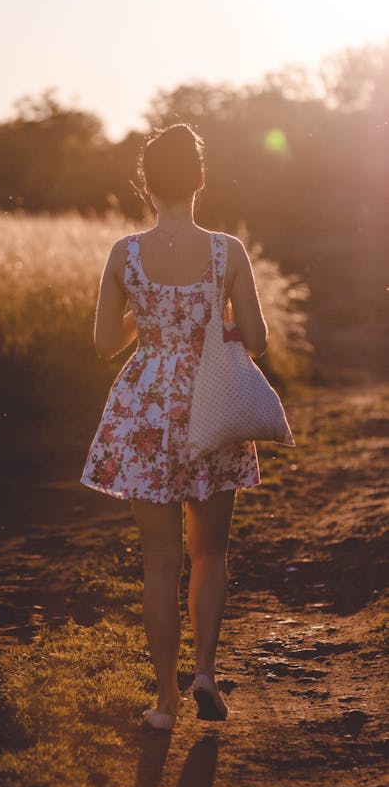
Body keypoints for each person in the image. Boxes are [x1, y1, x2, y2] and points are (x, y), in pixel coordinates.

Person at [80, 123, 267, 731]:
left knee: (160, 560)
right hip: (211, 404)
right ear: (201, 181)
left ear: (145, 184)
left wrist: (147, 316)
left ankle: (165, 702)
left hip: (147, 410)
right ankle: (205, 674)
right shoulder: (228, 252)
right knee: (209, 551)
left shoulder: (124, 255)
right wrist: (212, 320)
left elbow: (105, 343)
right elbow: (259, 342)